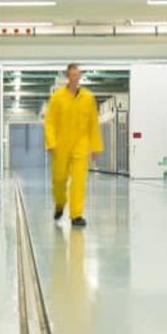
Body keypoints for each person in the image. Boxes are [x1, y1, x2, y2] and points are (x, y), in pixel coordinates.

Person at [44, 63, 102, 227]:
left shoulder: (88, 98)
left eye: (78, 74)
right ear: (67, 76)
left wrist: (96, 146)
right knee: (59, 180)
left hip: (80, 146)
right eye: (72, 75)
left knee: (78, 181)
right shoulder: (57, 98)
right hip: (61, 146)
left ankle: (76, 215)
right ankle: (60, 203)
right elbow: (50, 122)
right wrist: (51, 142)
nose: (75, 78)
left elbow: (93, 124)